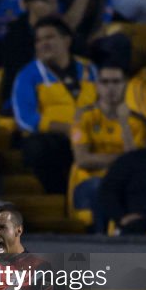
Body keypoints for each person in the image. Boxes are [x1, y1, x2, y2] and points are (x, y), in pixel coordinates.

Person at [11, 17, 97, 194]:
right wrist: (66, 128)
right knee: (37, 147)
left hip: (90, 133)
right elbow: (25, 119)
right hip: (53, 138)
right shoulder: (28, 74)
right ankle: (60, 196)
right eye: (39, 40)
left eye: (49, 37)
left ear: (66, 41)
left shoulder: (89, 69)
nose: (43, 44)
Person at [68, 63, 146, 228]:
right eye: (105, 82)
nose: (111, 87)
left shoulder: (137, 122)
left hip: (124, 183)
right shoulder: (83, 117)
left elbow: (135, 165)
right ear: (97, 86)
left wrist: (124, 123)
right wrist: (121, 159)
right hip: (89, 182)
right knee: (101, 188)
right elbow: (82, 159)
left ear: (124, 85)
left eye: (116, 82)